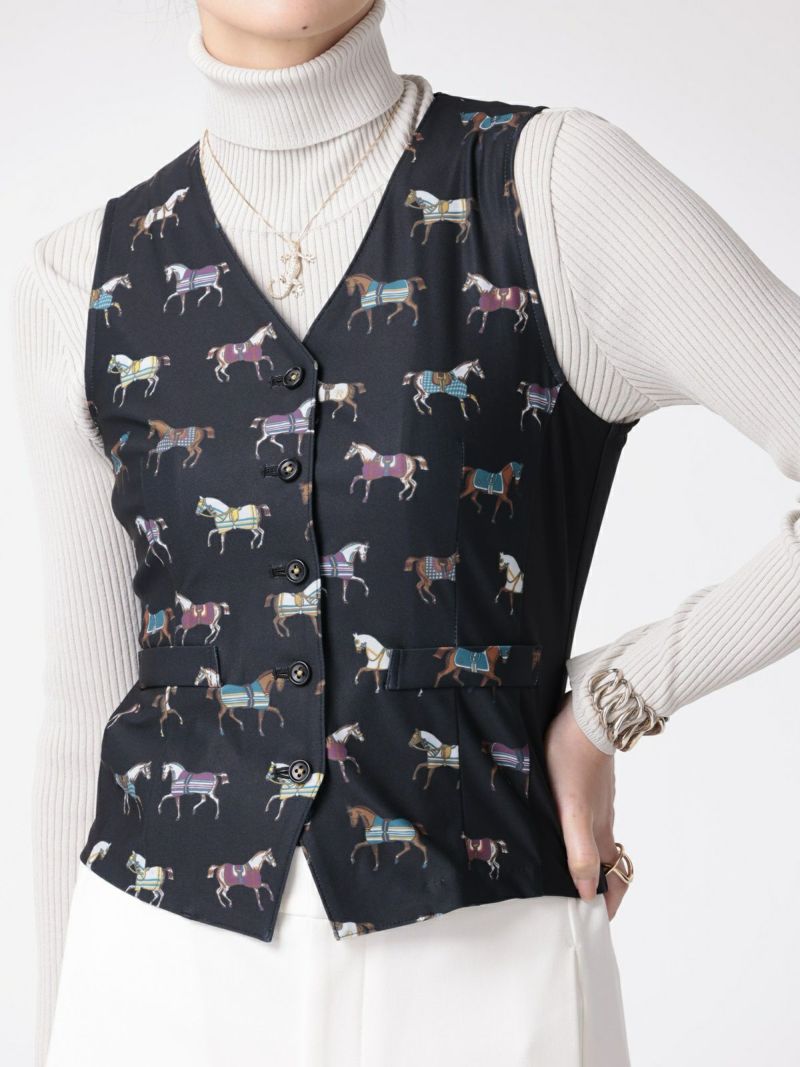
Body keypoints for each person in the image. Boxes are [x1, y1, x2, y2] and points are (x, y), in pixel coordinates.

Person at [14, 2, 799, 1065]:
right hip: (154, 982)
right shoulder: (79, 279)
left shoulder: (549, 190)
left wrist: (616, 701)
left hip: (489, 970)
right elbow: (80, 711)